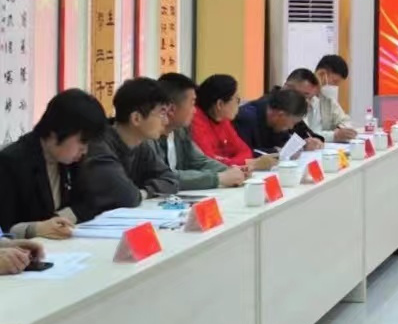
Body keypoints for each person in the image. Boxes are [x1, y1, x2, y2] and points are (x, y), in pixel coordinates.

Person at [0, 89, 108, 238]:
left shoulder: (70, 159)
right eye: (82, 141)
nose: (84, 150)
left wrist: (59, 218)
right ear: (55, 132)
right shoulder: (12, 162)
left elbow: (89, 203)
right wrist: (36, 228)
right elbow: (4, 227)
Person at [73, 78, 180, 222]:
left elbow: (171, 180)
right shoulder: (99, 145)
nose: (166, 121)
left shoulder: (141, 145)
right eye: (162, 113)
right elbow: (127, 196)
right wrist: (141, 193)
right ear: (136, 118)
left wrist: (144, 192)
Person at [155, 73, 246, 190]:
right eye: (192, 104)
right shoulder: (149, 137)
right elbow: (164, 176)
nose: (194, 111)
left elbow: (199, 161)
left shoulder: (180, 130)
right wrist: (218, 178)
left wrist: (231, 170)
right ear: (172, 109)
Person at [192, 74, 276, 171]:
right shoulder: (195, 121)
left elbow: (245, 151)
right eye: (237, 100)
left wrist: (233, 162)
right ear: (220, 104)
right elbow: (209, 163)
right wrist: (250, 163)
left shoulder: (223, 119)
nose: (239, 105)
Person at [234, 88, 311, 157]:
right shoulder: (245, 118)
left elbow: (282, 143)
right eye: (293, 122)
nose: (291, 127)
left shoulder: (278, 122)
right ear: (281, 115)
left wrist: (303, 145)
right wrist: (276, 152)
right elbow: (244, 153)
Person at [309, 54, 356, 142]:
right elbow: (306, 134)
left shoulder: (328, 99)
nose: (336, 86)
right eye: (335, 81)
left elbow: (345, 121)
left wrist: (341, 129)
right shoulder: (304, 97)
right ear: (322, 74)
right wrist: (334, 135)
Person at [277, 69, 325, 150]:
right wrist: (301, 145)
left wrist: (314, 141)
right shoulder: (269, 109)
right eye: (305, 96)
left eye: (310, 98)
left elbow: (309, 134)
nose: (308, 103)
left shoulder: (294, 111)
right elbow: (273, 146)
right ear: (287, 88)